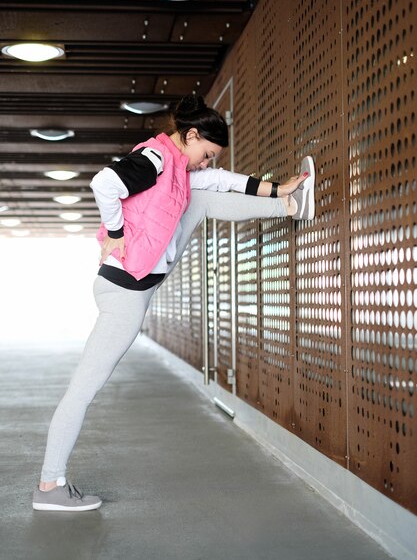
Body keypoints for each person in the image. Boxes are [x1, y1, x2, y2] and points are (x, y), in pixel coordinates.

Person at [33, 95, 315, 511]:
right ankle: (50, 488)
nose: (206, 163)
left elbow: (225, 183)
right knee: (83, 389)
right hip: (126, 290)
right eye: (206, 154)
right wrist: (113, 231)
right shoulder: (157, 159)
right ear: (191, 135)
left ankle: (290, 203)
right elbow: (104, 183)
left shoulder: (180, 172)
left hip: (130, 285)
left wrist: (280, 186)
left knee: (203, 195)